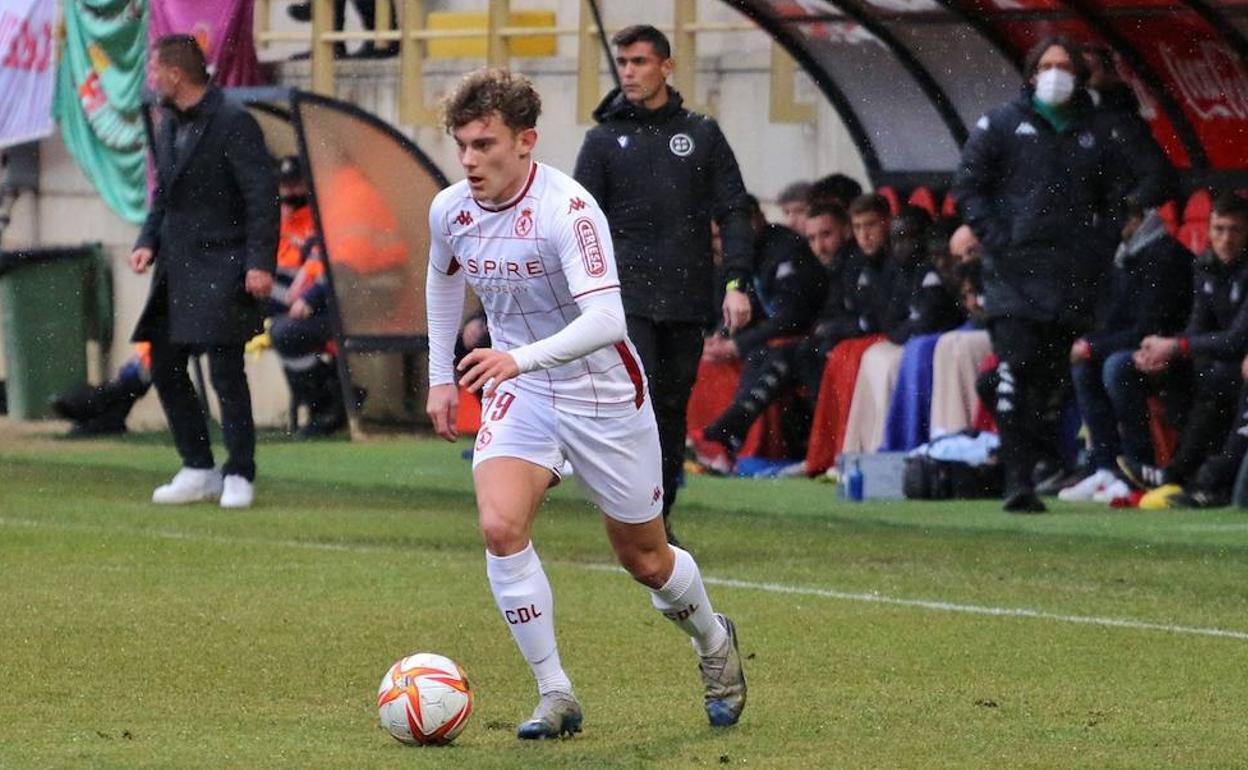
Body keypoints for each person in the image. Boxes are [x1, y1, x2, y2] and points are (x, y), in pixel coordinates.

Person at [424, 68, 746, 739]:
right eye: (462, 145)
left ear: (526, 141)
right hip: (523, 391)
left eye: (485, 144)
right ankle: (555, 692)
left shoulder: (568, 211)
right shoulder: (451, 209)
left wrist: (518, 356)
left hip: (601, 393)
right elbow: (442, 276)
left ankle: (714, 640)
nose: (470, 159)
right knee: (500, 527)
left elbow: (607, 321)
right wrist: (440, 374)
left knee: (646, 560)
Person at [574, 24, 754, 546]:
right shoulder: (604, 140)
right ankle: (636, 511)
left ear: (666, 67)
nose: (628, 72)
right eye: (623, 62)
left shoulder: (700, 134)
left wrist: (736, 281)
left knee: (673, 404)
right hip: (624, 297)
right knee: (643, 398)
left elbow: (733, 209)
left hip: (686, 294)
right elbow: (579, 222)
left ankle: (659, 508)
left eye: (639, 62)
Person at [953, 35, 1139, 513]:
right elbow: (968, 184)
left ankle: (1042, 461)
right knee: (1014, 371)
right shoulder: (1001, 123)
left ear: (1079, 75)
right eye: (1047, 65)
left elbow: (1118, 194)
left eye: (1065, 65)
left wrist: (1100, 244)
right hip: (1013, 274)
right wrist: (996, 236)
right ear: (1032, 73)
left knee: (1046, 386)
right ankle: (1019, 483)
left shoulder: (1098, 131)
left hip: (1070, 278)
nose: (1055, 74)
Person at [129, 34, 278, 509]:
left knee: (225, 370)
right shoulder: (167, 122)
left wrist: (258, 262)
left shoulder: (234, 121)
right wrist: (146, 241)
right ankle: (197, 465)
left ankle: (239, 470)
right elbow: (164, 193)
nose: (152, 80)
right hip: (176, 263)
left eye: (155, 71)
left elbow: (261, 197)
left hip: (224, 262)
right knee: (166, 363)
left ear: (175, 74)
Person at [1111, 193, 1248, 499]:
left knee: (1212, 377)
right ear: (1209, 231)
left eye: (1235, 230)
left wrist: (1177, 347)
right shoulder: (1205, 265)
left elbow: (1238, 339)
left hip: (1236, 362)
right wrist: (1163, 354)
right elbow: (1198, 326)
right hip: (1217, 359)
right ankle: (1117, 466)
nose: (1226, 239)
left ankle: (1179, 473)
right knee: (1128, 368)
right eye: (1219, 229)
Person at [1057, 201, 1192, 503]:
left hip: (1174, 354)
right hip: (1140, 345)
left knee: (1115, 366)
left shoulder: (1165, 257)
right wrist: (1088, 343)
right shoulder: (1126, 257)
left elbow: (1151, 324)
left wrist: (1094, 346)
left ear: (1136, 219)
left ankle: (1137, 467)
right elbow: (1114, 322)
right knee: (1085, 364)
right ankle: (1106, 466)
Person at [688, 195, 827, 472]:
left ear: (756, 220)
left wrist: (737, 344)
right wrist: (720, 336)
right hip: (762, 342)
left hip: (802, 339)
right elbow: (721, 309)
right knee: (702, 362)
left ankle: (735, 443)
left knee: (763, 355)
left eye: (722, 235)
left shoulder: (786, 249)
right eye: (715, 237)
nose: (719, 244)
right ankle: (709, 445)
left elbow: (792, 317)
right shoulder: (732, 259)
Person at [51, 344, 152, 437]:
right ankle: (84, 414)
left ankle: (80, 410)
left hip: (138, 375)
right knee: (116, 404)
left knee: (114, 398)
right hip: (136, 374)